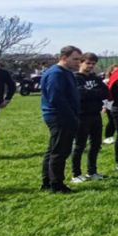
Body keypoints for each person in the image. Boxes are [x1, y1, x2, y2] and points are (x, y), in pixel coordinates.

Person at [40, 46, 82, 193]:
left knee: (53, 149)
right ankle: (56, 184)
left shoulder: (67, 73)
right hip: (59, 116)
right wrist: (71, 117)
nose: (78, 62)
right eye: (75, 59)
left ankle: (47, 181)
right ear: (64, 57)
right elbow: (56, 98)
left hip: (64, 115)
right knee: (60, 151)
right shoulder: (56, 74)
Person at [71, 53, 109, 182]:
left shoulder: (95, 77)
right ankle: (76, 174)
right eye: (88, 63)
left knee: (96, 144)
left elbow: (106, 92)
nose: (91, 66)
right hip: (82, 115)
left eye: (93, 64)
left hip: (96, 114)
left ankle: (92, 171)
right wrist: (95, 93)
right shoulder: (75, 78)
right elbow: (80, 94)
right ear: (81, 63)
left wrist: (92, 94)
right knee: (80, 145)